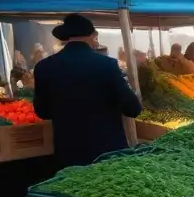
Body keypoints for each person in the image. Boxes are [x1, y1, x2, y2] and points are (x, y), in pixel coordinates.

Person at [32, 14, 142, 170]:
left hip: (68, 152)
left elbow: (42, 112)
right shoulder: (107, 65)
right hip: (107, 152)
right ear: (92, 36)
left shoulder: (44, 67)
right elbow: (133, 109)